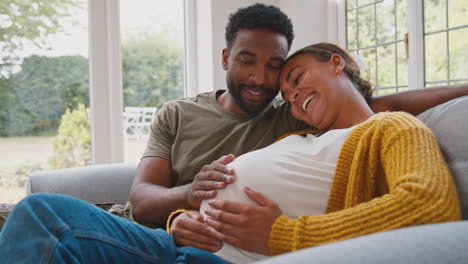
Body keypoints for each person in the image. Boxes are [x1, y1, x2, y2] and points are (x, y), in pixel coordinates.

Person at [0, 3, 466, 263]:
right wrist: (180, 212)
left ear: (336, 63)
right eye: (248, 61)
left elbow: (383, 112)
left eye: (288, 71)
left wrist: (285, 235)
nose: (271, 84)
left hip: (215, 258)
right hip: (167, 235)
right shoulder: (282, 129)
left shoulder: (376, 127)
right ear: (226, 59)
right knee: (38, 216)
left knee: (41, 221)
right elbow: (142, 199)